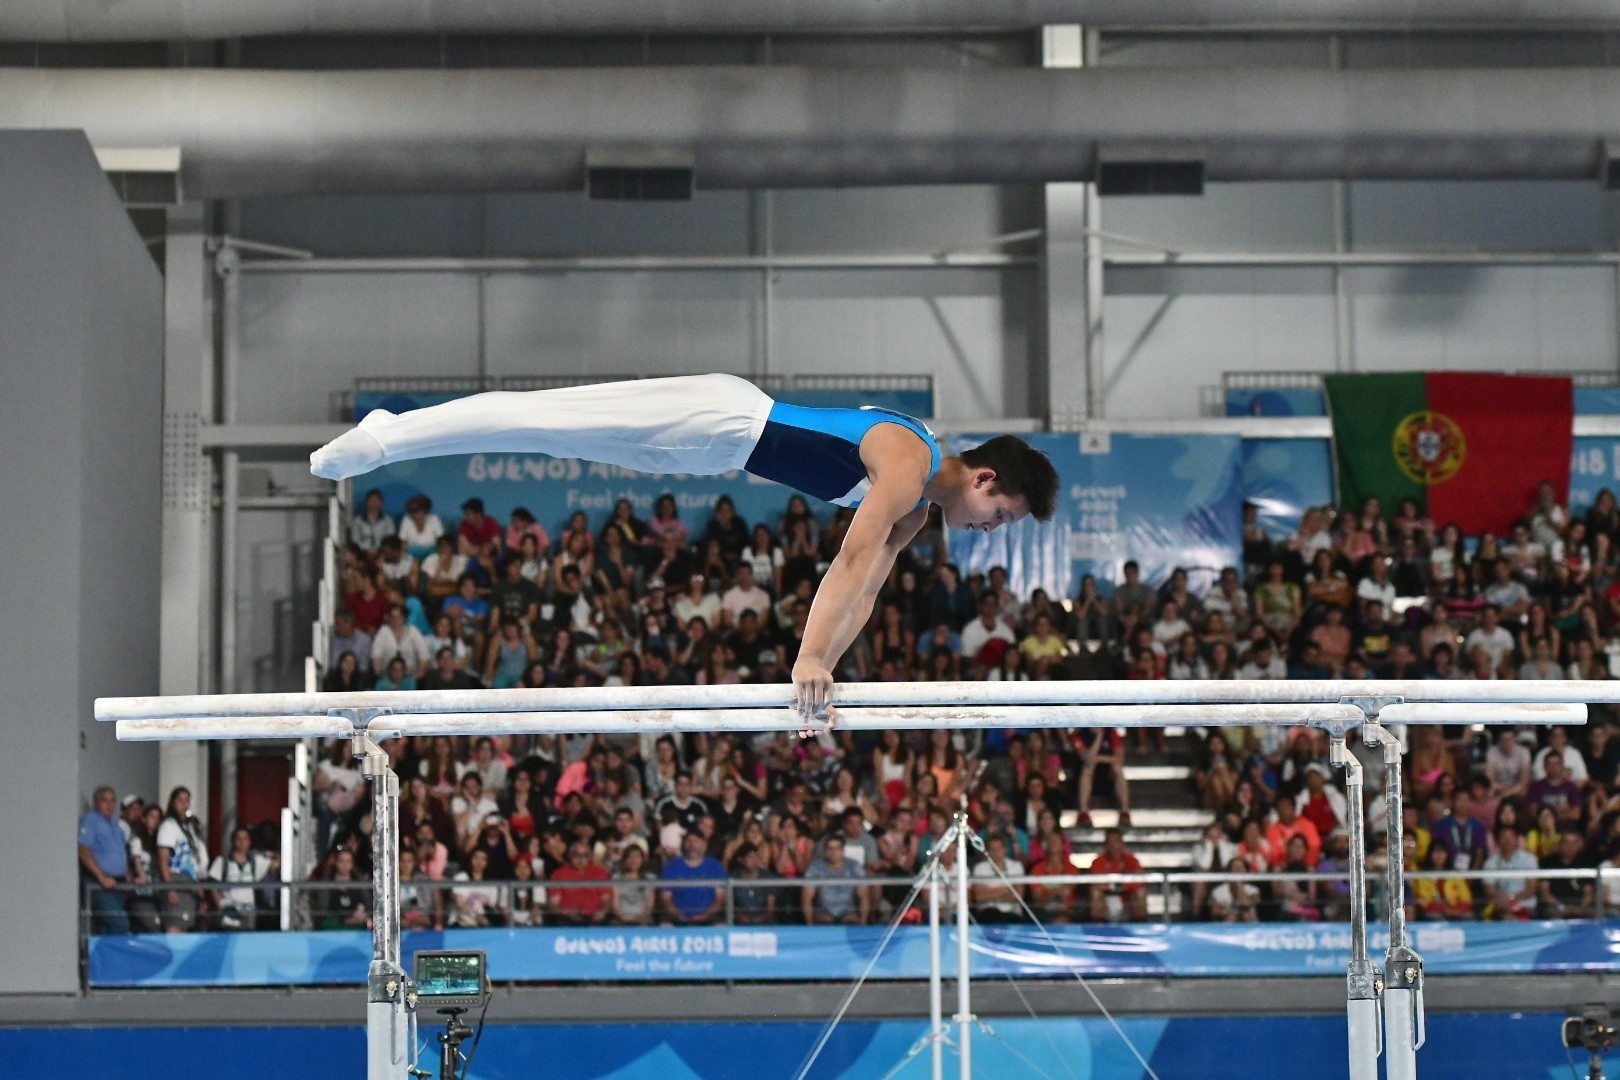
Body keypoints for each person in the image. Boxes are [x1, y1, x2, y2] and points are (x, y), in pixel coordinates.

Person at [310, 373, 1058, 716]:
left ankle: (395, 434)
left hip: (710, 451)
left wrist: (823, 667)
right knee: (545, 420)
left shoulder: (917, 513)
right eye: (1002, 515)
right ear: (985, 477)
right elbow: (850, 561)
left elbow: (867, 592)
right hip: (722, 417)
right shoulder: (909, 459)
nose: (991, 532)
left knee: (552, 434)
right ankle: (389, 433)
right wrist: (804, 657)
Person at [155, 786, 209, 933]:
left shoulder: (189, 828)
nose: (184, 804)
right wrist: (170, 888)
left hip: (190, 882)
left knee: (185, 927)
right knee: (175, 926)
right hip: (176, 879)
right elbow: (162, 859)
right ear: (173, 802)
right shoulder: (168, 826)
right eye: (180, 800)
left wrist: (197, 885)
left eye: (187, 800)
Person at [78, 786, 131, 935]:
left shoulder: (115, 824)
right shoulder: (91, 820)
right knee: (120, 923)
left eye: (112, 801)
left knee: (108, 928)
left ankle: (104, 958)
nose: (109, 805)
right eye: (104, 801)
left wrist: (126, 870)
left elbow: (118, 850)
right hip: (98, 881)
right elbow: (83, 849)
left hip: (117, 882)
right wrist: (101, 876)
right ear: (95, 803)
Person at [209, 826, 273, 931]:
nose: (242, 842)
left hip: (249, 911)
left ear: (249, 842)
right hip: (229, 910)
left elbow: (274, 865)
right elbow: (212, 884)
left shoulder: (254, 861)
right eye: (239, 839)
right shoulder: (222, 861)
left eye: (245, 839)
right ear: (234, 841)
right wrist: (220, 904)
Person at [659, 830, 728, 925]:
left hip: (709, 917)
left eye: (696, 841)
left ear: (704, 844)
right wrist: (680, 916)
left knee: (721, 928)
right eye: (689, 841)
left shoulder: (716, 866)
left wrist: (704, 917)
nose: (692, 845)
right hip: (676, 918)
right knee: (664, 927)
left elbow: (719, 899)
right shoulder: (671, 866)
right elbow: (666, 898)